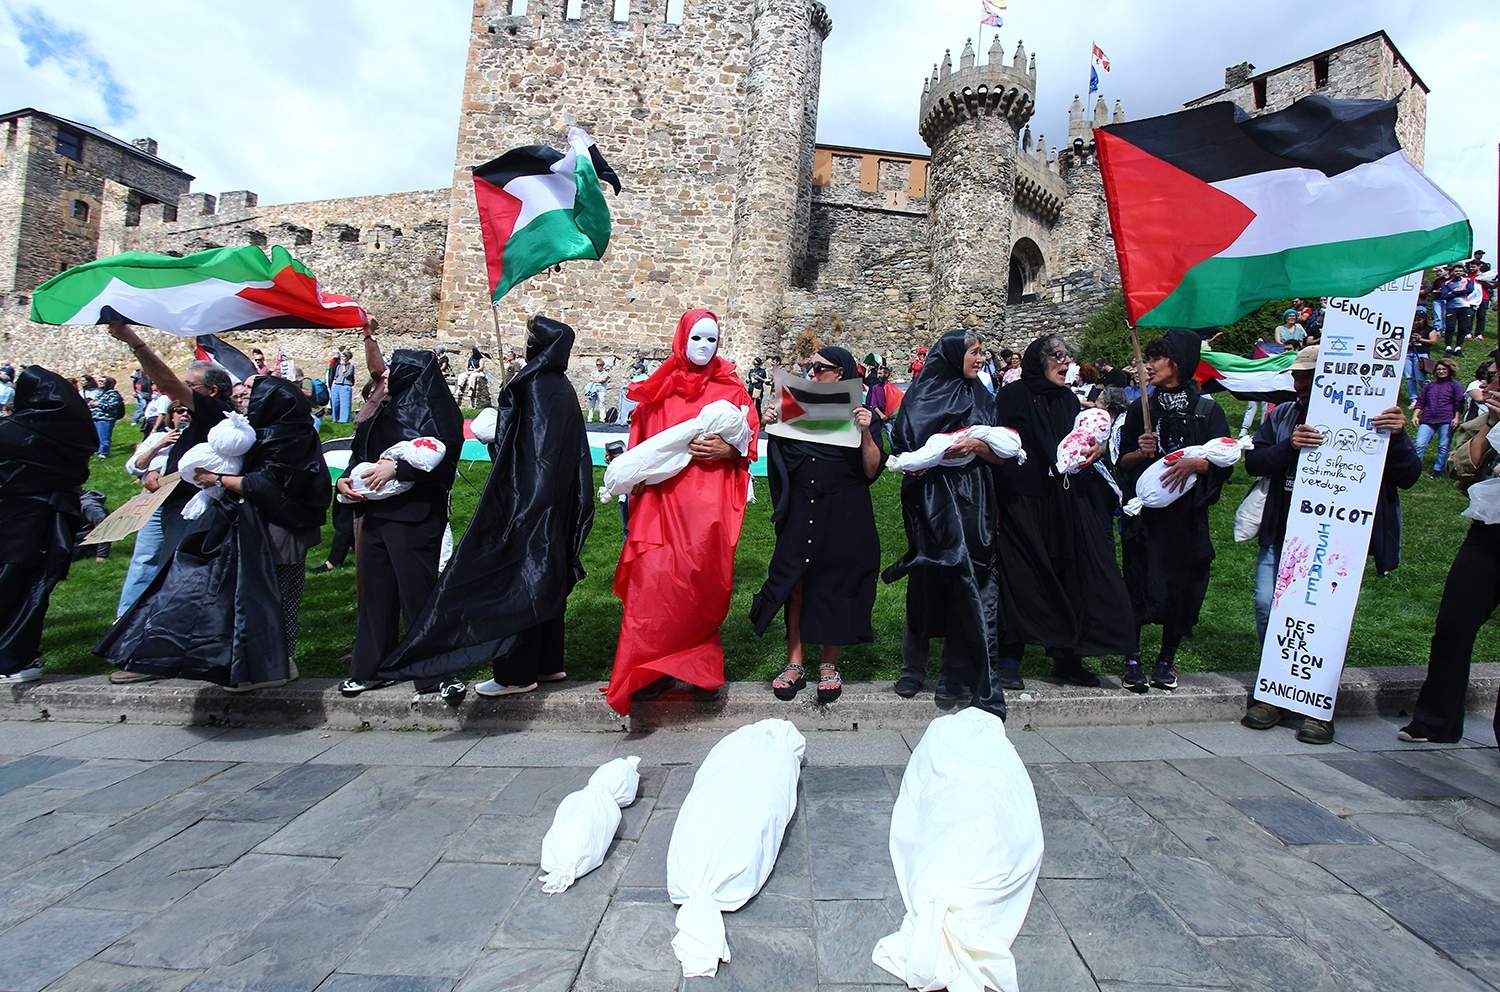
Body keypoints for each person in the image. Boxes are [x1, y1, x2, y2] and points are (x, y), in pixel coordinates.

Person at [376, 315, 595, 698]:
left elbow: (531, 453)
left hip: (528, 500)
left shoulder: (536, 386)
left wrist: (518, 491)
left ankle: (516, 673)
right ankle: (548, 662)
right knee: (547, 576)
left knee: (517, 582)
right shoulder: (561, 387)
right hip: (554, 501)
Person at [100, 375, 327, 690]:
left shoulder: (289, 436)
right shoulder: (261, 431)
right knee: (249, 599)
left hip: (279, 530)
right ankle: (250, 664)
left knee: (278, 595)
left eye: (252, 390)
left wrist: (216, 479)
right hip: (249, 526)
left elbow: (268, 484)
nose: (243, 394)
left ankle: (278, 664)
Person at [1242, 346, 1416, 743]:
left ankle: (1317, 704)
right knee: (1268, 606)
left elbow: (1408, 476)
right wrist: (1289, 448)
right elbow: (1254, 461)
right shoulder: (1284, 414)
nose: (1299, 383)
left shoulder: (1374, 416)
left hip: (1338, 538)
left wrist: (1399, 435)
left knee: (1327, 620)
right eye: (1298, 376)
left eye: (1308, 376)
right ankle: (1276, 688)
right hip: (1283, 531)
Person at [606, 309, 758, 714]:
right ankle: (649, 670)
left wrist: (728, 450)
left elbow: (748, 442)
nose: (705, 347)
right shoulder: (659, 388)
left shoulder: (732, 389)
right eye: (697, 338)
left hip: (707, 510)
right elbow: (641, 445)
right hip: (660, 505)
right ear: (682, 339)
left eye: (713, 340)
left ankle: (699, 670)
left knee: (700, 587)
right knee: (653, 586)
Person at [991, 335, 1136, 691]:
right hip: (1022, 499)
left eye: (1068, 356)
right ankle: (1010, 657)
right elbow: (1004, 445)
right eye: (1057, 355)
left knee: (1070, 571)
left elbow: (1078, 442)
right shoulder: (1013, 396)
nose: (1066, 361)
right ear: (1038, 360)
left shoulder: (1068, 399)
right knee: (1022, 574)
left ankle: (1067, 655)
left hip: (1065, 499)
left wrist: (1097, 448)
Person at [752, 347, 885, 705]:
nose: (811, 374)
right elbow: (782, 457)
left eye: (819, 368)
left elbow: (872, 469)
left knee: (838, 583)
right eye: (809, 367)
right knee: (796, 582)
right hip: (801, 508)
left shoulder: (864, 413)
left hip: (844, 511)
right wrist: (771, 423)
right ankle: (794, 662)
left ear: (840, 373)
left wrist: (867, 433)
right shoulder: (797, 407)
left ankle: (829, 664)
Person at [884, 330, 1008, 714]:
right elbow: (904, 445)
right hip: (930, 497)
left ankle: (955, 673)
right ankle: (913, 667)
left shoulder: (983, 396)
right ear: (955, 356)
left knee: (969, 578)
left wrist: (977, 446)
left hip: (973, 495)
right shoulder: (922, 395)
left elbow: (1000, 453)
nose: (980, 358)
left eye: (982, 352)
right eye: (974, 352)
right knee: (926, 577)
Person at [338, 326, 465, 699]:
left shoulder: (438, 411)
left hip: (414, 516)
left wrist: (400, 469)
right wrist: (347, 480)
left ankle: (438, 672)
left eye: (395, 369)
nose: (387, 375)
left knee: (419, 594)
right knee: (375, 594)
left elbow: (441, 456)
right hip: (376, 512)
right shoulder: (384, 408)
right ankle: (370, 667)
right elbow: (361, 451)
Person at [1116, 330, 1232, 691]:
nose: (1148, 366)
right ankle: (1132, 657)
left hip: (1186, 519)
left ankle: (1167, 658)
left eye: (1156, 359)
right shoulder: (1141, 409)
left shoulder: (1206, 411)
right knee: (1137, 582)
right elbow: (1122, 461)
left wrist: (1197, 466)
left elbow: (1225, 460)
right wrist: (1141, 451)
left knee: (1182, 587)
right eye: (1147, 358)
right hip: (1147, 519)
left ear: (1177, 363)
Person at [1400, 367, 1500, 743]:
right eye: (1489, 378)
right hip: (1487, 534)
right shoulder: (1484, 421)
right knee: (1453, 625)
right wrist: (1492, 425)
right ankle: (1436, 721)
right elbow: (1464, 474)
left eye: (1496, 379)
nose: (1487, 385)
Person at [0, 367, 96, 684]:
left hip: (15, 522)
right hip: (53, 522)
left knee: (10, 588)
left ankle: (11, 658)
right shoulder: (74, 438)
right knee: (33, 591)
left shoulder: (11, 432)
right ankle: (21, 655)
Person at [105, 321, 232, 558]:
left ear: (212, 391)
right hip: (164, 497)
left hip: (186, 506)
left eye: (190, 386)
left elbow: (167, 385)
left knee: (174, 570)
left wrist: (134, 341)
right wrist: (156, 471)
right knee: (145, 568)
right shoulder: (196, 416)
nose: (185, 391)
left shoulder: (214, 411)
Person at [114, 403, 189, 627]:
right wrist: (159, 445)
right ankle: (125, 616)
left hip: (180, 504)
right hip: (153, 504)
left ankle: (164, 617)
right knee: (145, 557)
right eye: (179, 411)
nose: (184, 414)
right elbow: (134, 466)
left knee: (174, 558)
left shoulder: (197, 438)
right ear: (171, 415)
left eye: (187, 411)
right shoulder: (159, 437)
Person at [1413, 359, 1465, 477]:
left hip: (1446, 419)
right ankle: (1415, 468)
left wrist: (1457, 418)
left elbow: (1459, 403)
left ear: (1449, 370)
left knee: (1443, 446)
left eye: (1443, 369)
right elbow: (1421, 401)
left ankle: (1438, 470)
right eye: (1438, 369)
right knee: (1419, 444)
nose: (1441, 371)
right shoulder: (1429, 386)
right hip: (1428, 418)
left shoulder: (1455, 386)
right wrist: (1415, 415)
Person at [1407, 311, 1440, 404]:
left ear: (1424, 320)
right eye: (1415, 320)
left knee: (1420, 377)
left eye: (1419, 320)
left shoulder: (1430, 329)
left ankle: (1429, 395)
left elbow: (1433, 341)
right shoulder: (1409, 328)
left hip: (1421, 354)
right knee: (1409, 377)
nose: (1416, 322)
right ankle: (1414, 398)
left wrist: (1420, 339)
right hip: (1408, 354)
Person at [89, 375, 125, 459]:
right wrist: (92, 404)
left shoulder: (113, 394)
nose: (100, 383)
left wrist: (98, 404)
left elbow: (112, 406)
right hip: (95, 417)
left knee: (104, 437)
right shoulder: (100, 392)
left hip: (105, 418)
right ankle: (98, 451)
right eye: (99, 381)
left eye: (102, 381)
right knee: (97, 437)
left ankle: (104, 453)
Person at [329, 347, 355, 423]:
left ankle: (344, 420)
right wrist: (333, 384)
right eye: (341, 356)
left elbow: (347, 375)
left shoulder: (350, 366)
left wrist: (343, 366)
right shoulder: (338, 366)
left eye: (343, 357)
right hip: (336, 385)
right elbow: (336, 376)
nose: (342, 358)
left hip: (345, 386)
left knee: (345, 404)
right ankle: (335, 419)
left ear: (347, 358)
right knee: (335, 403)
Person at [584, 357, 610, 422]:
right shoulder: (594, 372)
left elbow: (603, 380)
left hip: (601, 390)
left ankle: (602, 419)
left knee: (601, 404)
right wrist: (598, 379)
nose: (599, 366)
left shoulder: (606, 373)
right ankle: (589, 419)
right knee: (591, 405)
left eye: (600, 365)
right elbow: (591, 378)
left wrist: (596, 379)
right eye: (597, 365)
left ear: (603, 365)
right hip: (593, 390)